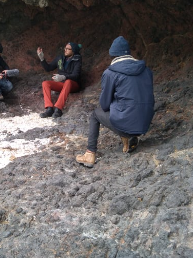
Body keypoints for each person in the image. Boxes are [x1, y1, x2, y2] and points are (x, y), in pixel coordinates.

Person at [76, 36, 155, 168]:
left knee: (95, 115)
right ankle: (129, 137)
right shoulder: (146, 70)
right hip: (144, 124)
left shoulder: (110, 73)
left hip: (127, 122)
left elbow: (105, 104)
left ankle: (90, 154)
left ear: (113, 54)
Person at [37, 42, 82, 118]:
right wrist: (42, 58)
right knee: (45, 83)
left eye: (68, 49)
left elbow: (76, 75)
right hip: (62, 84)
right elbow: (48, 68)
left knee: (68, 82)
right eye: (65, 48)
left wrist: (64, 77)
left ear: (73, 51)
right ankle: (49, 108)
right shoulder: (60, 58)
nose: (65, 50)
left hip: (73, 84)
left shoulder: (77, 59)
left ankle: (58, 109)